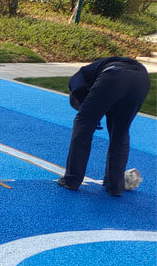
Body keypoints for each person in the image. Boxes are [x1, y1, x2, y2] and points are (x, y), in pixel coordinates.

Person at [57, 56, 151, 197]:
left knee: (82, 124)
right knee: (120, 131)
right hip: (142, 79)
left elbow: (86, 105)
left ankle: (71, 180)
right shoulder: (94, 74)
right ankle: (114, 186)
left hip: (115, 75)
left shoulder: (78, 80)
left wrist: (89, 116)